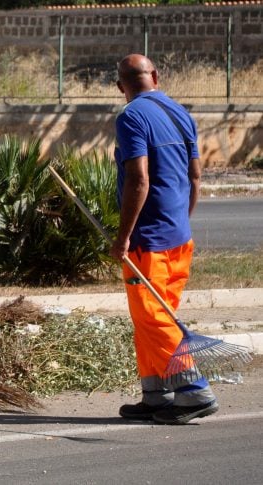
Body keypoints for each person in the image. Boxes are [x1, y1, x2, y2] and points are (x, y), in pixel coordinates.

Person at [112, 54, 216, 425]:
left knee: (154, 318)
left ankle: (194, 390)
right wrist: (181, 221)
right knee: (151, 318)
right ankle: (157, 393)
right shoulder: (180, 113)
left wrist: (123, 238)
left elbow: (139, 180)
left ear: (120, 86)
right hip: (178, 238)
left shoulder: (131, 117)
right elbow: (197, 176)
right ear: (155, 76)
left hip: (148, 242)